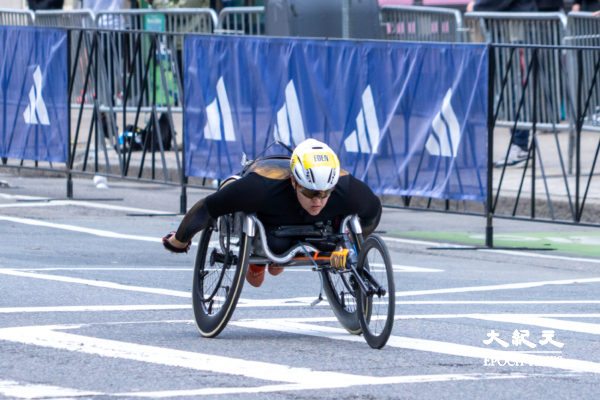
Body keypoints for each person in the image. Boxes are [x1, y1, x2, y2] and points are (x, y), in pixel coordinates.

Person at [163, 139, 382, 288]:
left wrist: (353, 240)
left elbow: (373, 211)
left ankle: (281, 260)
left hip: (321, 233)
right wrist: (180, 240)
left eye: (325, 193)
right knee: (260, 275)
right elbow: (208, 207)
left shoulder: (349, 190)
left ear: (333, 186)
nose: (317, 201)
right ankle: (260, 262)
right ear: (294, 181)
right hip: (271, 233)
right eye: (309, 192)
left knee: (323, 246)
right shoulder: (259, 187)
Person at [467, 0, 537, 167]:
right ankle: (519, 144)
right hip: (507, 31)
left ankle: (520, 145)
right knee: (510, 90)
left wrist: (477, 6)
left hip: (515, 32)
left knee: (515, 89)